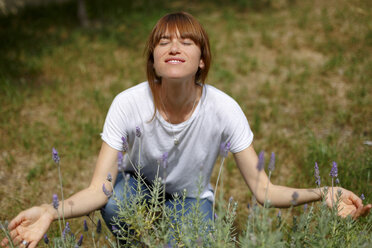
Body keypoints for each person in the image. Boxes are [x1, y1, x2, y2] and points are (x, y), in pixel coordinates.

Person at [1, 11, 370, 248]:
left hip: (192, 200)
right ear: (154, 61)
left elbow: (263, 190)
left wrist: (325, 191)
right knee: (115, 206)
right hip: (138, 186)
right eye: (163, 41)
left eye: (186, 41)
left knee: (200, 242)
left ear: (201, 60)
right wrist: (49, 212)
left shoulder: (224, 109)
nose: (174, 47)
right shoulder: (128, 104)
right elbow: (99, 191)